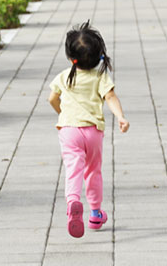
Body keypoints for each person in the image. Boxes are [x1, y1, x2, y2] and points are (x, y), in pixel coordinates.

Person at [49, 21, 129, 237]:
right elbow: (110, 97)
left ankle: (73, 202)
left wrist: (63, 114)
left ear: (70, 56)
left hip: (69, 130)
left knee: (73, 170)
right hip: (93, 132)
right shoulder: (100, 77)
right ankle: (95, 213)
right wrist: (120, 117)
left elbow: (52, 99)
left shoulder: (64, 76)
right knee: (93, 171)